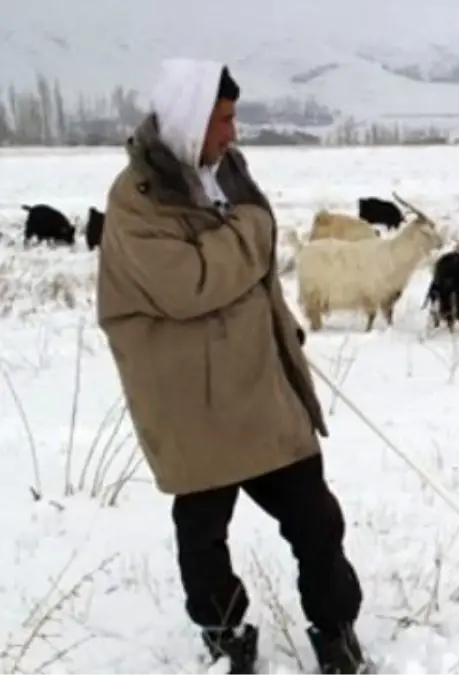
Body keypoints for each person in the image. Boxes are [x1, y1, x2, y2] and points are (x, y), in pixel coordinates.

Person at [95, 58, 372, 675]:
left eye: (234, 117)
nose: (234, 133)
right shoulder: (136, 201)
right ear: (191, 121)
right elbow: (191, 283)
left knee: (317, 519)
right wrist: (252, 228)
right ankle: (227, 641)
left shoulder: (229, 172)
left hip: (259, 388)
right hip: (191, 403)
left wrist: (284, 333)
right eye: (223, 119)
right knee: (203, 536)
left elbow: (256, 281)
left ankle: (336, 634)